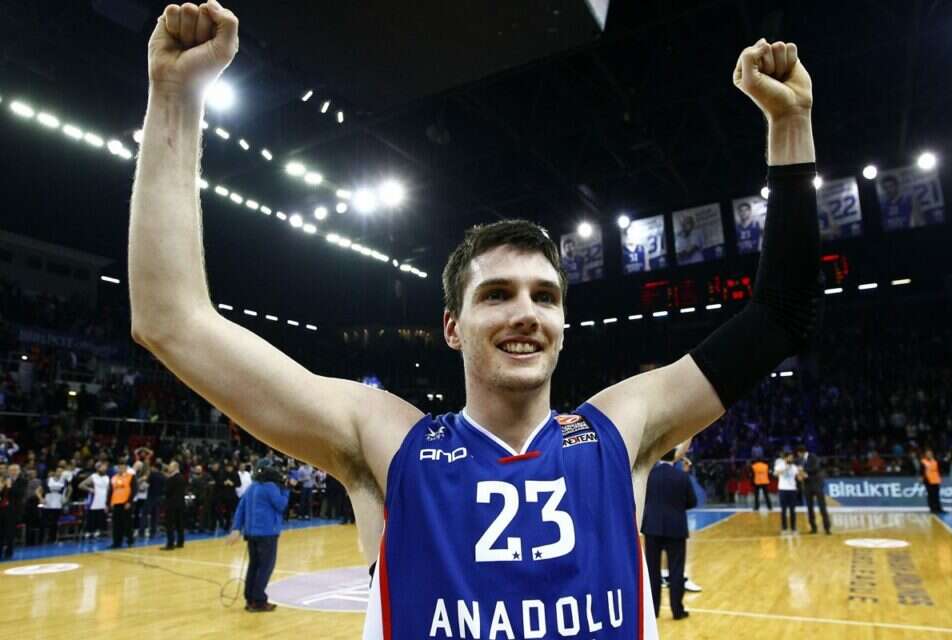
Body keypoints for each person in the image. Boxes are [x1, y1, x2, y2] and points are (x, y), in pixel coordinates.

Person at [130, 4, 818, 635]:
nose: (525, 313)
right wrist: (175, 95)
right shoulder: (389, 443)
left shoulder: (620, 430)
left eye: (545, 296)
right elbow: (172, 321)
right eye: (496, 295)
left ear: (563, 323)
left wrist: (790, 126)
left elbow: (780, 315)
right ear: (452, 327)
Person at [227, 459, 289, 612]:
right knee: (265, 567)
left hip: (251, 533)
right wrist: (285, 489)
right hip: (267, 533)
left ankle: (250, 598)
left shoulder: (252, 487)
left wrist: (236, 528)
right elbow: (281, 505)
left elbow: (240, 508)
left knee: (254, 566)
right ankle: (259, 600)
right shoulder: (271, 487)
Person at [641, 449, 697, 620]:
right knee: (676, 570)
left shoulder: (649, 475)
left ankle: (653, 611)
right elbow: (692, 501)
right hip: (676, 528)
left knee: (653, 571)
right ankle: (677, 610)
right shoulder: (682, 476)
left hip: (652, 528)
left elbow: (643, 499)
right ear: (675, 457)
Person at [796, 445, 830, 534]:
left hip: (816, 484)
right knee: (809, 508)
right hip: (807, 485)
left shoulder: (813, 457)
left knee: (822, 506)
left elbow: (816, 468)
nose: (798, 456)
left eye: (798, 454)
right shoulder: (799, 460)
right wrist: (799, 476)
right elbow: (798, 470)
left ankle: (827, 528)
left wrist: (804, 472)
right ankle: (813, 528)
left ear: (800, 452)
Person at [0, 464, 26, 558]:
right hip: (2, 509)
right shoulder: (4, 480)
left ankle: (9, 552)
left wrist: (10, 486)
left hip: (13, 510)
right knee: (1, 531)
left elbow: (20, 494)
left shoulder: (22, 481)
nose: (13, 472)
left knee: (10, 532)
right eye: (11, 470)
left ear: (19, 471)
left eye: (15, 470)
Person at [78, 462, 110, 539]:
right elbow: (81, 485)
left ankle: (99, 531)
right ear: (98, 468)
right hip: (94, 501)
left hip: (103, 501)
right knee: (91, 517)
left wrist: (107, 502)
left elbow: (108, 490)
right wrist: (90, 489)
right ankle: (88, 532)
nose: (104, 469)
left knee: (101, 518)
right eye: (102, 467)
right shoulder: (93, 477)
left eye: (105, 467)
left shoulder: (107, 477)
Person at [109, 460, 135, 548]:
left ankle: (130, 541)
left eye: (123, 467)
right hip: (116, 503)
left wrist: (129, 502)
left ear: (126, 468)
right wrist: (110, 502)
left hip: (125, 503)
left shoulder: (131, 477)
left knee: (127, 523)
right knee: (116, 524)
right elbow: (111, 491)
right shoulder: (113, 478)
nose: (121, 469)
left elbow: (134, 490)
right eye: (119, 467)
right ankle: (116, 542)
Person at [162, 461, 187, 549]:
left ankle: (170, 544)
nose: (169, 468)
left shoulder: (172, 478)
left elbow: (167, 491)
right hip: (180, 504)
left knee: (170, 525)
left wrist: (167, 481)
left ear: (175, 467)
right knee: (180, 524)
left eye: (170, 466)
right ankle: (180, 542)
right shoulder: (182, 477)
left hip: (171, 504)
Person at [774, 452, 800, 534]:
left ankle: (793, 528)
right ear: (785, 458)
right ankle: (784, 528)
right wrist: (785, 468)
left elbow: (799, 478)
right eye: (790, 457)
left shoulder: (794, 467)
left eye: (792, 457)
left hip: (792, 490)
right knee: (783, 510)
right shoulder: (780, 465)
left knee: (793, 510)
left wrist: (801, 471)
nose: (791, 459)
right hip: (783, 489)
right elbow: (776, 474)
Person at [919, 449, 946, 514]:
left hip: (936, 479)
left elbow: (939, 469)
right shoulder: (923, 461)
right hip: (928, 480)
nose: (929, 455)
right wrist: (921, 477)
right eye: (928, 453)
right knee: (931, 495)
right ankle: (932, 509)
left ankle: (938, 508)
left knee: (936, 495)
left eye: (930, 453)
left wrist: (940, 476)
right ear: (925, 455)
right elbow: (921, 470)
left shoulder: (935, 460)